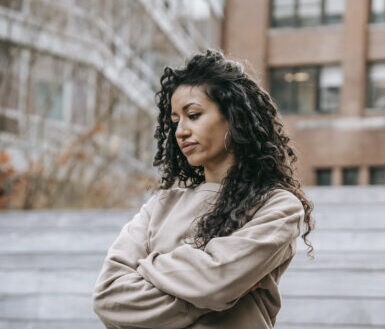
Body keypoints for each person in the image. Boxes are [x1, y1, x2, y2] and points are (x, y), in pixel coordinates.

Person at [92, 49, 314, 329]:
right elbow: (108, 297)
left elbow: (217, 282)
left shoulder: (278, 207)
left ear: (233, 118)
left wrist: (148, 267)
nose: (181, 131)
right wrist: (210, 294)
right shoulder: (159, 206)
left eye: (193, 115)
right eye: (175, 122)